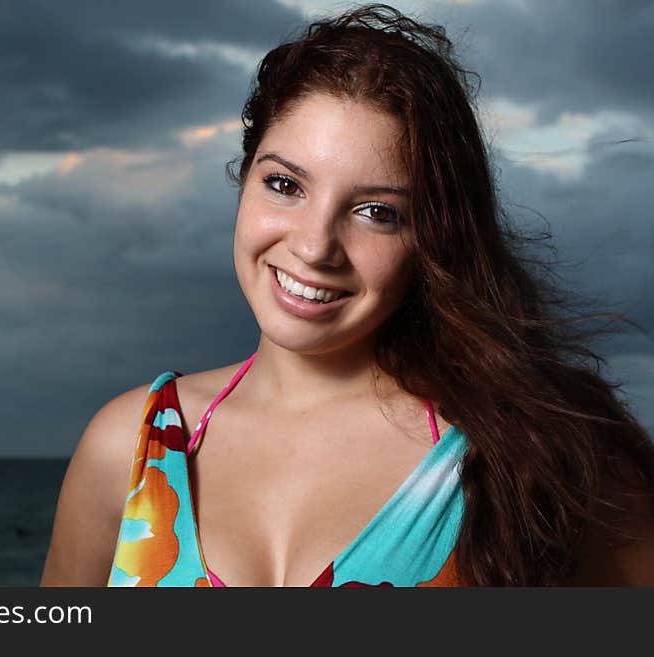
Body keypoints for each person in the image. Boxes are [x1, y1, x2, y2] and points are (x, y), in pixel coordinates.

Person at [40, 3, 654, 587]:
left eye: (376, 212)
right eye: (284, 184)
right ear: (243, 178)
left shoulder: (535, 458)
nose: (315, 246)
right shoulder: (128, 446)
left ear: (434, 237)